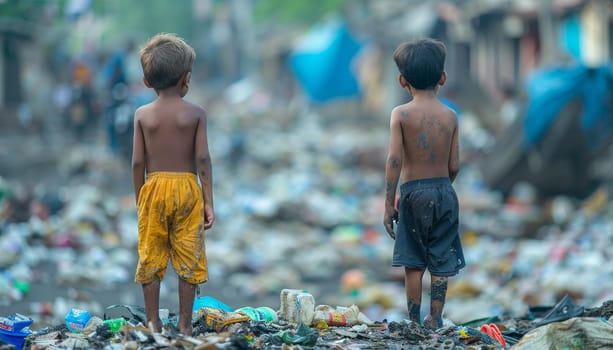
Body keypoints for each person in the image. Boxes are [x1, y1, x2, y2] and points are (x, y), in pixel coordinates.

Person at [132, 33, 215, 335]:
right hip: (187, 190)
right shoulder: (196, 114)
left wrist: (140, 197)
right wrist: (208, 200)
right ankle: (184, 324)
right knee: (189, 256)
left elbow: (137, 163)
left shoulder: (142, 116)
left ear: (146, 81)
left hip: (153, 188)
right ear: (186, 78)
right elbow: (203, 159)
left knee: (151, 254)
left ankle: (152, 321)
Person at [383, 38, 465, 329]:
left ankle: (414, 322)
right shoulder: (451, 116)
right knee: (441, 257)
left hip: (413, 193)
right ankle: (436, 318)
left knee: (414, 261)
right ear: (442, 78)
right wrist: (442, 187)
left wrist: (389, 204)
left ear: (402, 80)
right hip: (444, 190)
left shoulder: (401, 114)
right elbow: (455, 165)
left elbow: (394, 160)